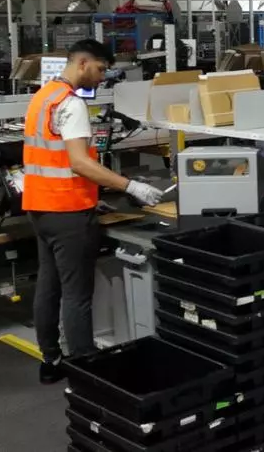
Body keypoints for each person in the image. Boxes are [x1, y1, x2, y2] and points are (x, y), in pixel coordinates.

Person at [24, 40, 164, 385]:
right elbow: (79, 162)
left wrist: (92, 194)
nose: (102, 77)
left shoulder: (44, 96)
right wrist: (130, 186)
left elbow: (54, 159)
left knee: (48, 286)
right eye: (101, 69)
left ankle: (51, 361)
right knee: (77, 295)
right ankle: (87, 370)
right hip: (68, 213)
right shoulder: (71, 104)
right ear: (83, 63)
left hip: (40, 207)